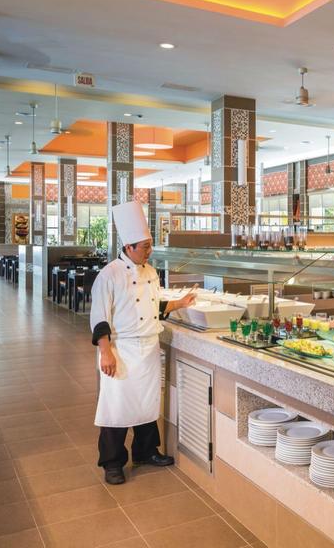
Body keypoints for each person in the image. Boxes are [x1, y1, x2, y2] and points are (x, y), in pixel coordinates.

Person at [90, 201, 195, 485]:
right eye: (145, 246)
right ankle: (112, 463)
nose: (150, 251)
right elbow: (99, 317)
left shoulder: (149, 272)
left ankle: (146, 451)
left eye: (150, 245)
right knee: (117, 407)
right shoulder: (109, 274)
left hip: (148, 347)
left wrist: (180, 303)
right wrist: (105, 353)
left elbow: (152, 307)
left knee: (147, 405)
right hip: (121, 350)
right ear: (129, 247)